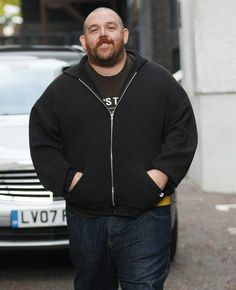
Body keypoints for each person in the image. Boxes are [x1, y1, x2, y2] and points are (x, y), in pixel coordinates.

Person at [29, 7, 197, 290]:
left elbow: (182, 130)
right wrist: (70, 180)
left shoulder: (159, 82)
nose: (103, 35)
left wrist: (159, 175)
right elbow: (43, 141)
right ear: (84, 41)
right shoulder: (62, 90)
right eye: (94, 30)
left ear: (125, 35)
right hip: (87, 219)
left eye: (110, 27)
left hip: (147, 214)